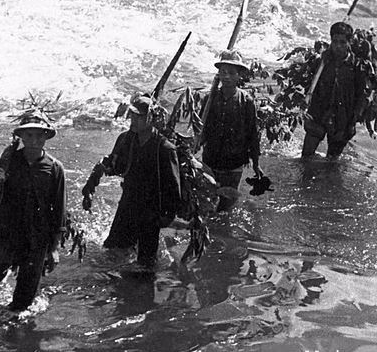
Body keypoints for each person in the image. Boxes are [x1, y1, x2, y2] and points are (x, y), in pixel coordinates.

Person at [0, 111, 66, 318]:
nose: (34, 140)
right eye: (29, 135)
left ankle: (8, 342)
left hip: (37, 240)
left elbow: (58, 211)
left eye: (39, 135)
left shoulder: (55, 169)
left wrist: (53, 249)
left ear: (46, 137)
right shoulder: (10, 161)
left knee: (22, 304)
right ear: (21, 137)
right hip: (6, 235)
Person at [84, 94, 181, 268]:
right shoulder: (125, 139)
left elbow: (173, 187)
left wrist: (167, 216)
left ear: (151, 119)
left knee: (146, 262)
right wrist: (104, 168)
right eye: (133, 116)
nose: (133, 120)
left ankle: (143, 288)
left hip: (152, 209)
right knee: (112, 249)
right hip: (128, 202)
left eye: (139, 117)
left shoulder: (164, 148)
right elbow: (118, 167)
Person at [197, 49, 262, 210]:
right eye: (223, 72)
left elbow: (252, 134)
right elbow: (200, 127)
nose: (226, 76)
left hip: (233, 164)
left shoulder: (246, 101)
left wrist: (255, 163)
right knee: (206, 204)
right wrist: (194, 146)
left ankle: (224, 234)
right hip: (210, 161)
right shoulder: (210, 99)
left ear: (239, 76)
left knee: (226, 208)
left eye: (231, 73)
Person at [302, 21, 367, 158]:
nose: (338, 46)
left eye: (342, 42)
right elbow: (309, 85)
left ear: (349, 42)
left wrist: (353, 121)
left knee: (332, 161)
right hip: (318, 114)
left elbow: (361, 96)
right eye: (335, 41)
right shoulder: (322, 61)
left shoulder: (356, 66)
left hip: (342, 119)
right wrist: (306, 100)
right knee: (306, 157)